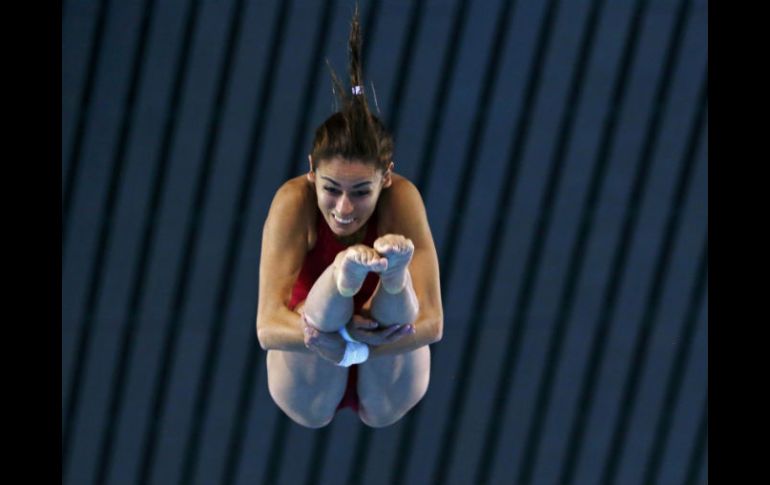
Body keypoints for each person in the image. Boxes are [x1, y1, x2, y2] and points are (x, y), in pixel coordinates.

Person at [256, 8, 442, 428]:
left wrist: (355, 343)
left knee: (394, 302)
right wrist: (339, 342)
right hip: (310, 373)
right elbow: (268, 327)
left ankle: (390, 277)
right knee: (324, 309)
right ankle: (344, 274)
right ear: (311, 171)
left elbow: (432, 323)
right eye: (331, 189)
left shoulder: (404, 198)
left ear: (386, 177)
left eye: (361, 192)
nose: (343, 209)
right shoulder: (292, 201)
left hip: (387, 370)